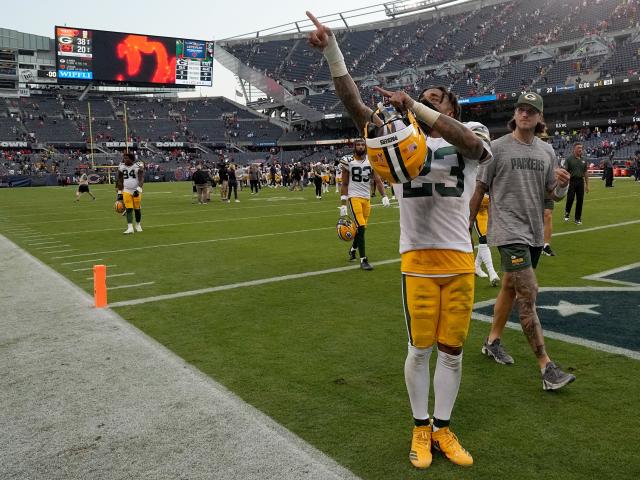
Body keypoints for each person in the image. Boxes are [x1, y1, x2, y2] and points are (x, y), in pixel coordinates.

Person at [307, 11, 491, 469]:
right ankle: (420, 427)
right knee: (420, 349)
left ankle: (445, 430)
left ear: (449, 107)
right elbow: (354, 107)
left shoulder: (469, 134)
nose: (421, 104)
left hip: (460, 258)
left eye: (434, 99)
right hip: (419, 260)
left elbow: (470, 143)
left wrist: (416, 104)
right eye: (421, 98)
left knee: (453, 350)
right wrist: (333, 50)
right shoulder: (397, 136)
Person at [469, 92, 575, 391]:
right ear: (514, 115)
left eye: (531, 110)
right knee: (528, 293)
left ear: (540, 117)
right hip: (508, 232)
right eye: (521, 109)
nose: (525, 114)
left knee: (510, 287)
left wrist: (563, 186)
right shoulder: (497, 148)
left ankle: (492, 341)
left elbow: (551, 194)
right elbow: (479, 189)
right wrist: (466, 226)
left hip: (533, 234)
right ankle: (547, 368)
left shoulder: (547, 152)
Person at [339, 139, 390, 270]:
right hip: (353, 197)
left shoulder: (371, 160)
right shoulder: (348, 161)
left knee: (361, 230)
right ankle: (363, 260)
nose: (361, 147)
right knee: (361, 227)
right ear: (354, 147)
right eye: (358, 145)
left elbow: (377, 180)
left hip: (366, 199)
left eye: (363, 145)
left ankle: (352, 250)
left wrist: (384, 196)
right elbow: (344, 184)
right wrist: (343, 204)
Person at [473, 194, 500, 285]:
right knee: (483, 240)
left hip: (485, 213)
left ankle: (476, 266)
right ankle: (492, 273)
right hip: (475, 212)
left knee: (484, 241)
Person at [116, 152, 144, 234]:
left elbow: (141, 179)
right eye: (124, 158)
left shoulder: (137, 166)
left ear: (131, 159)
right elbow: (120, 180)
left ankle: (138, 224)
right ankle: (130, 227)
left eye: (126, 158)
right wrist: (119, 192)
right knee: (128, 209)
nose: (124, 160)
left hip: (136, 190)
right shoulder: (122, 167)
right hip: (126, 190)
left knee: (137, 209)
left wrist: (138, 189)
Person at [564, 142, 589, 225]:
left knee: (580, 200)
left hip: (580, 181)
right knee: (570, 198)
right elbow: (564, 171)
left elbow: (585, 172)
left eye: (581, 148)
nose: (580, 149)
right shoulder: (569, 159)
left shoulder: (584, 160)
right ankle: (567, 212)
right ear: (574, 149)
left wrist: (587, 185)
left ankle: (577, 218)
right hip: (571, 181)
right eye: (578, 148)